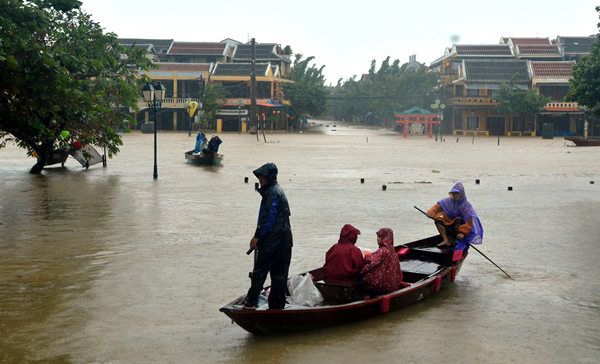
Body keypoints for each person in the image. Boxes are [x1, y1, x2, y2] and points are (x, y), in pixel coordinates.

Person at [243, 163, 293, 310]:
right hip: (284, 241)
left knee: (260, 272)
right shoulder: (276, 191)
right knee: (279, 276)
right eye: (259, 176)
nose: (260, 178)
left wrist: (257, 237)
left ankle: (251, 302)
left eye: (262, 176)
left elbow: (268, 219)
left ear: (270, 177)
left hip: (274, 241)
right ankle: (277, 308)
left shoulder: (272, 192)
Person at [426, 182, 484, 250]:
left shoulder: (466, 206)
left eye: (456, 194)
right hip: (449, 226)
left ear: (461, 194)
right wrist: (430, 212)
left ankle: (458, 240)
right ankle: (446, 240)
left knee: (458, 219)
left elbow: (469, 221)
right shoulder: (448, 201)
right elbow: (437, 206)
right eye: (453, 194)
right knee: (438, 219)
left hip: (460, 228)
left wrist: (462, 233)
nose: (455, 196)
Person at [360, 228, 403, 295]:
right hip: (392, 285)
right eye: (377, 237)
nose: (377, 239)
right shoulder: (393, 252)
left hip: (381, 286)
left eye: (380, 237)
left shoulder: (383, 251)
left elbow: (371, 262)